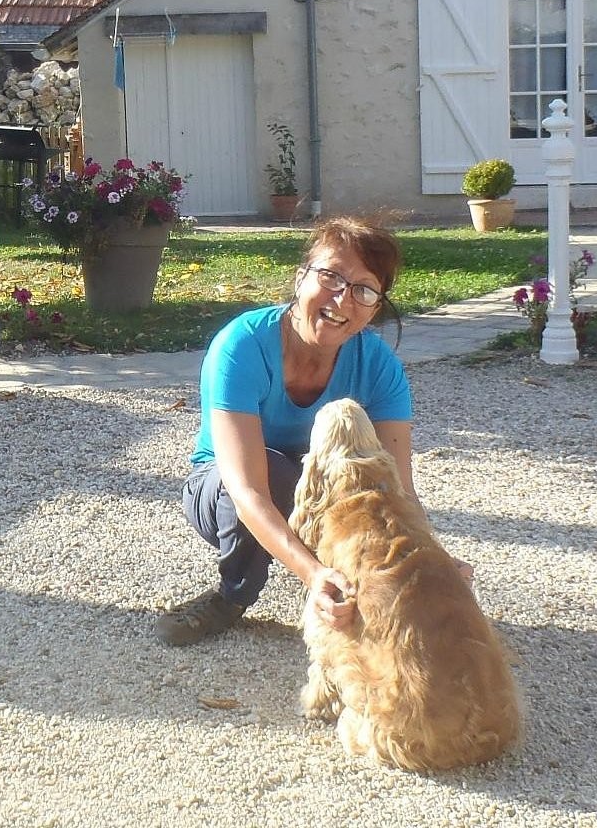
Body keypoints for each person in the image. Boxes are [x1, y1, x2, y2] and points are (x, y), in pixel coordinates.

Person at [157, 215, 428, 647]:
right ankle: (230, 597)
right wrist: (312, 574)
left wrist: (432, 564)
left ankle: (360, 600)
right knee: (273, 474)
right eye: (331, 276)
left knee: (368, 492)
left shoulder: (379, 366)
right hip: (223, 490)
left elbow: (399, 490)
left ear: (376, 306)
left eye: (363, 289)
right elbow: (246, 489)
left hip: (318, 492)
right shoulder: (241, 345)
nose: (342, 299)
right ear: (300, 276)